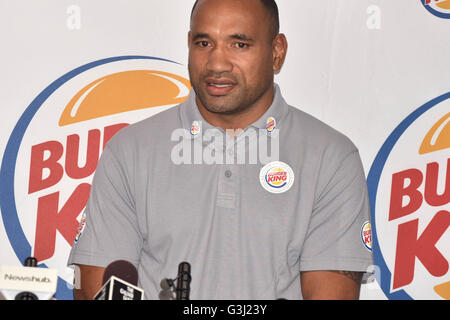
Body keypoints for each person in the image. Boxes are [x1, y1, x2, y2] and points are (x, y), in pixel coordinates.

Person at [68, 0, 373, 300]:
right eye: (203, 43)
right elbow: (98, 287)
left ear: (277, 52)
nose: (216, 63)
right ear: (188, 44)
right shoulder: (129, 151)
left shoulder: (331, 158)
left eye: (239, 44)